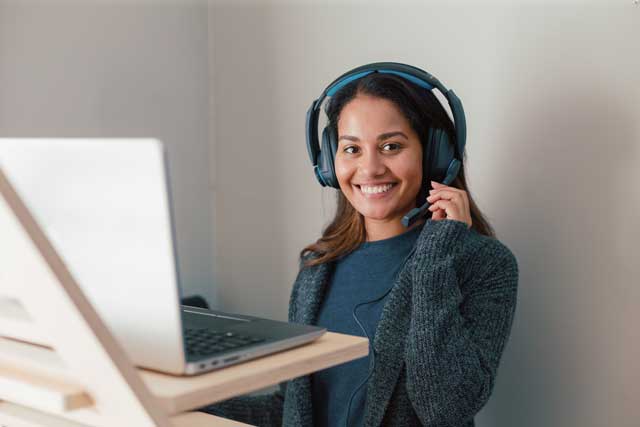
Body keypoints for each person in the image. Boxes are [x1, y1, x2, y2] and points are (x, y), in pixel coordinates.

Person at [202, 63, 519, 426]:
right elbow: (292, 409)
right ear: (327, 161)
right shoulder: (318, 267)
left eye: (390, 146)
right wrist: (186, 407)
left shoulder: (484, 264)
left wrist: (436, 257)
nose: (369, 169)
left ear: (434, 154)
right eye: (352, 149)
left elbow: (446, 408)